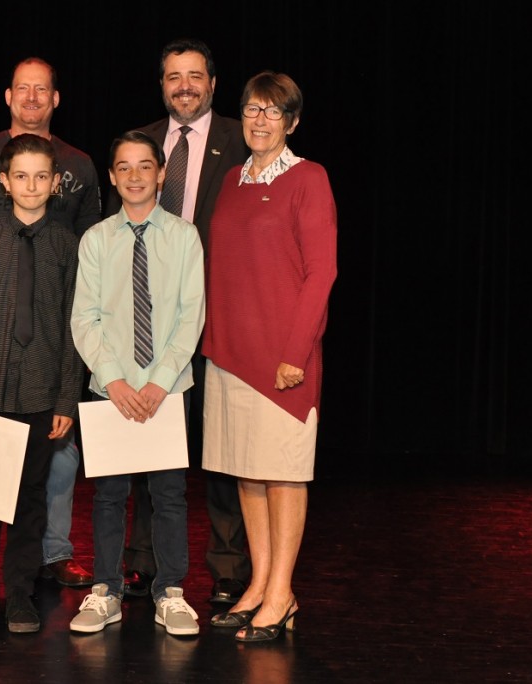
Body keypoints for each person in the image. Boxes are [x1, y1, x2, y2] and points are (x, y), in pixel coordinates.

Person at [0, 57, 100, 593]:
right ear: (8, 96)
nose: (32, 97)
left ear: (56, 99)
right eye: (23, 89)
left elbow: (85, 256)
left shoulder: (79, 164)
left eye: (43, 90)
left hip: (47, 349)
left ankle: (50, 553)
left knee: (56, 456)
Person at [104, 38, 250, 605]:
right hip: (146, 323)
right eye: (173, 76)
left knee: (219, 449)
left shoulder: (244, 141)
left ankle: (229, 566)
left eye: (194, 76)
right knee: (143, 443)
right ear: (161, 85)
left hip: (220, 321)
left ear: (213, 84)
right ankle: (141, 561)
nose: (183, 85)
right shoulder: (138, 144)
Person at [202, 71, 337, 642]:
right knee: (247, 476)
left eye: (272, 111)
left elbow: (321, 271)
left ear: (292, 121)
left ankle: (281, 593)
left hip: (282, 360)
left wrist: (295, 352)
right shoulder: (232, 178)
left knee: (282, 478)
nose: (259, 120)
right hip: (229, 354)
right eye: (251, 109)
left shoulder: (310, 178)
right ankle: (258, 584)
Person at [69, 130, 204, 637]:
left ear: (161, 174)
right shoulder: (97, 239)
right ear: (111, 176)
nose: (134, 176)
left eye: (144, 166)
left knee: (169, 496)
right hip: (112, 389)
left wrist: (160, 382)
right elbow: (85, 319)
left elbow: (191, 316)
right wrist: (116, 380)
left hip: (167, 390)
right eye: (123, 167)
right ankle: (106, 590)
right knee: (108, 496)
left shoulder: (185, 237)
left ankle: (170, 591)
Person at [0, 133, 85, 634]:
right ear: (4, 182)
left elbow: (76, 328)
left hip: (42, 394)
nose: (31, 185)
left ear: (55, 183)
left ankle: (22, 593)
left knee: (31, 500)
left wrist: (65, 398)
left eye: (41, 177)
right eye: (21, 176)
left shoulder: (68, 247)